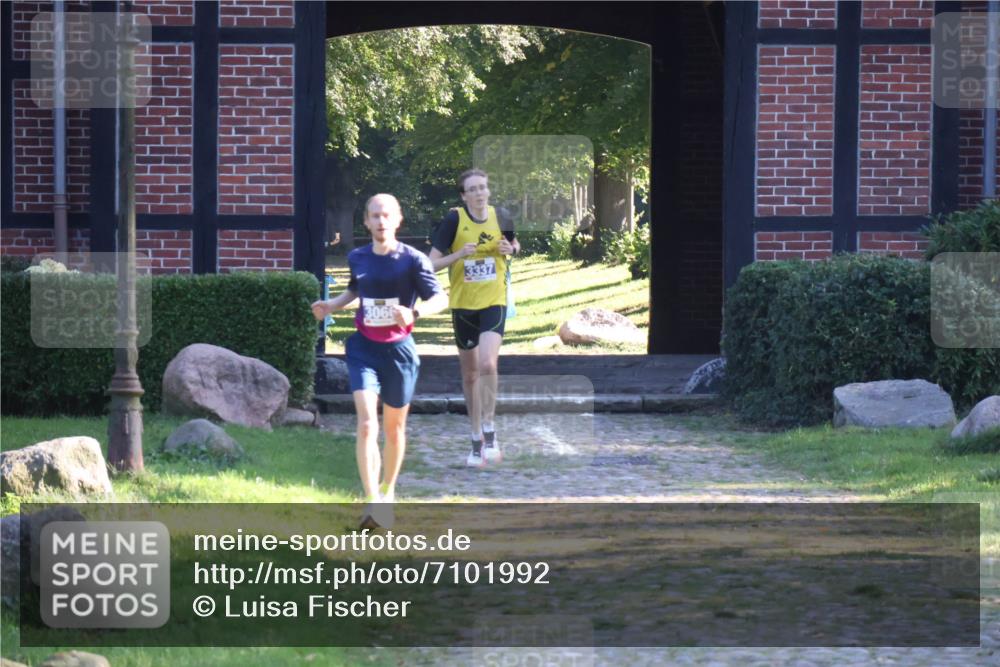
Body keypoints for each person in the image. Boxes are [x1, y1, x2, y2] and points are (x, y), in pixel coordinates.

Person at [312, 194, 448, 528]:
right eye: (374, 216)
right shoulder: (357, 256)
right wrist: (331, 305)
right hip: (363, 349)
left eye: (386, 215)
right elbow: (357, 290)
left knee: (394, 427)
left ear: (398, 219)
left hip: (399, 351)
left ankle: (388, 490)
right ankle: (372, 501)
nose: (381, 221)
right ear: (366, 222)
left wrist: (413, 312)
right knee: (367, 424)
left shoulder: (414, 260)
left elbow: (440, 298)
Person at [429, 169, 520, 468]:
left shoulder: (502, 215)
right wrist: (458, 255)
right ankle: (475, 436)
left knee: (487, 363)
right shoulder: (454, 220)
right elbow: (431, 264)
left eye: (483, 187)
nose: (480, 193)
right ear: (464, 195)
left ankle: (491, 430)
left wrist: (511, 248)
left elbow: (513, 245)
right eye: (473, 189)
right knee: (470, 375)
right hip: (463, 305)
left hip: (494, 300)